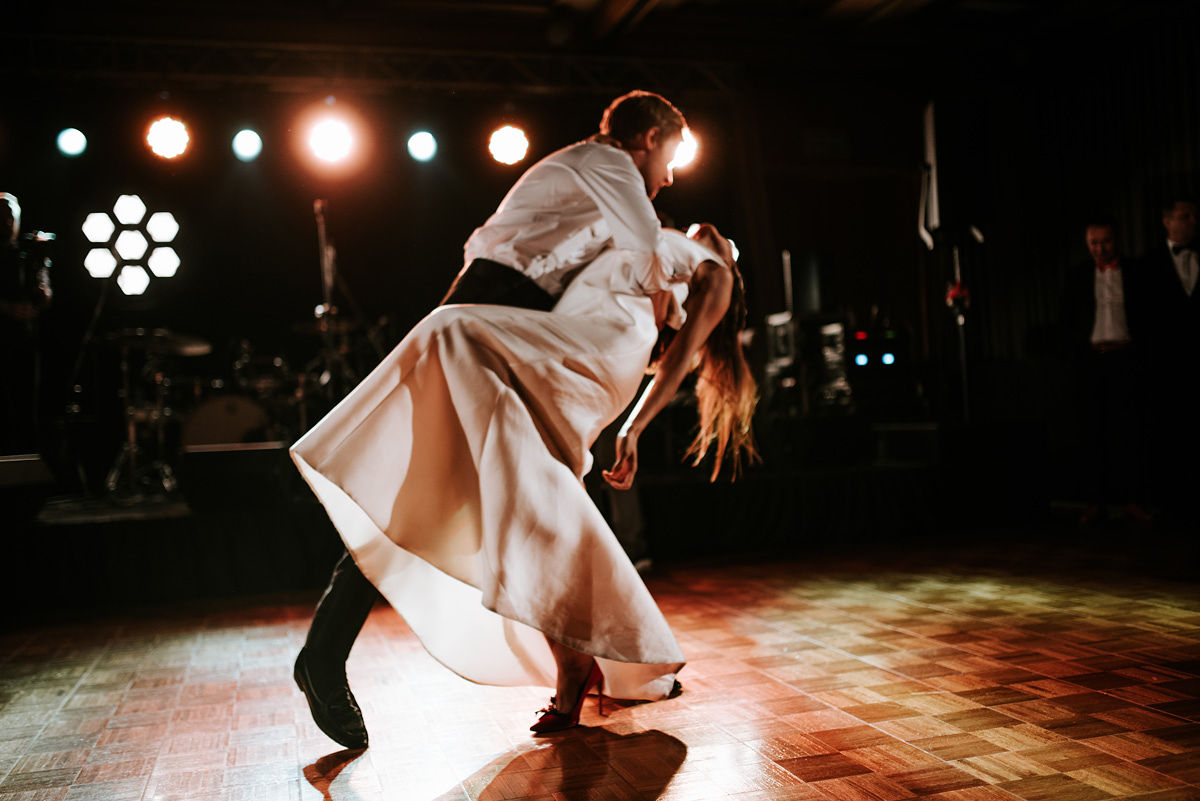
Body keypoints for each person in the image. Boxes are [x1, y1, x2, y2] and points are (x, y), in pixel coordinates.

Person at [291, 90, 754, 750]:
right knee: (462, 488)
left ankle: (580, 662)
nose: (673, 177)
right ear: (650, 137)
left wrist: (633, 414)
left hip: (540, 337)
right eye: (672, 155)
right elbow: (644, 250)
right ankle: (584, 660)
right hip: (507, 315)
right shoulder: (613, 168)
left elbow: (648, 307)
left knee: (470, 482)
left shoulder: (675, 246)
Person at [1059, 216, 1150, 525]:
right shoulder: (1077, 277)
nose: (1099, 248)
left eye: (1105, 242)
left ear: (1117, 240)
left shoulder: (1136, 272)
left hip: (1127, 358)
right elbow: (1068, 322)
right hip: (1092, 361)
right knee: (1091, 432)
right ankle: (1094, 502)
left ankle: (1132, 500)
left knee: (1130, 431)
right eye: (1093, 243)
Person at [1141, 198, 1199, 521]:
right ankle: (1171, 503)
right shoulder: (1149, 264)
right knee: (1171, 435)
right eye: (1184, 216)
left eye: (1194, 216)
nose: (1192, 221)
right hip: (1166, 368)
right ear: (1167, 222)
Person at [0, 193, 52, 454]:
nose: (7, 221)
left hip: (24, 342)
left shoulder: (26, 255)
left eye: (10, 216)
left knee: (25, 407)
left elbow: (44, 292)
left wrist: (42, 290)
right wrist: (7, 309)